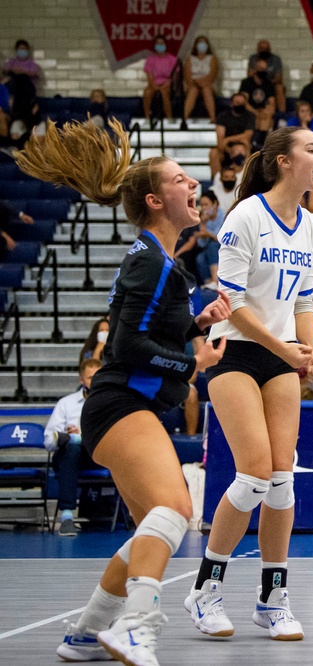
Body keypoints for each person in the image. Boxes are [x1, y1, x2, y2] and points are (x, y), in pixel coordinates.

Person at [15, 118, 231, 664]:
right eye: (182, 179)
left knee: (148, 534)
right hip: (118, 405)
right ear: (157, 200)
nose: (193, 187)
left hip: (118, 408)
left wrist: (190, 324)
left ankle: (85, 633)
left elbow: (143, 330)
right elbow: (128, 344)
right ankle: (137, 625)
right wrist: (192, 362)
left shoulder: (159, 265)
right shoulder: (154, 263)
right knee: (176, 506)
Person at [186, 126, 313, 642]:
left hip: (280, 355)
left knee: (282, 480)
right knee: (252, 476)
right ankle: (205, 589)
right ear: (283, 161)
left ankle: (273, 599)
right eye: (312, 149)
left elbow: (302, 305)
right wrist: (287, 350)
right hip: (237, 353)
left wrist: (312, 353)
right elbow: (233, 305)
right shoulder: (245, 215)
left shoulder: (312, 226)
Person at [44, 359, 103, 537]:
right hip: (70, 457)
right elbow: (48, 441)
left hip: (99, 456)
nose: (95, 381)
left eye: (99, 377)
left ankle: (77, 439)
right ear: (81, 380)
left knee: (75, 443)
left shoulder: (110, 404)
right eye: (91, 377)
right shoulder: (66, 403)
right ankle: (67, 517)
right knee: (71, 448)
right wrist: (65, 436)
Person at [209, 93, 255, 179]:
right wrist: (230, 150)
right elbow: (220, 140)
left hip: (244, 147)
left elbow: (247, 135)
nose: (240, 105)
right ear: (231, 104)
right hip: (226, 148)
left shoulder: (250, 116)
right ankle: (217, 181)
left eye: (242, 103)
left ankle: (245, 180)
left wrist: (228, 139)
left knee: (244, 145)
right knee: (214, 152)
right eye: (237, 102)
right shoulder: (222, 116)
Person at [182, 35, 218, 129]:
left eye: (204, 42)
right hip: (193, 85)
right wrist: (196, 83)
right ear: (196, 45)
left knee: (206, 88)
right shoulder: (190, 59)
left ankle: (213, 118)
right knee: (194, 89)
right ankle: (184, 118)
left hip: (208, 85)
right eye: (200, 42)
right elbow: (187, 77)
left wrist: (201, 82)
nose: (202, 45)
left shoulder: (212, 58)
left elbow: (212, 76)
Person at [142, 36, 176, 123]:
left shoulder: (172, 59)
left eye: (162, 43)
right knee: (147, 93)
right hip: (154, 83)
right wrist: (154, 86)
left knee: (164, 93)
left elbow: (174, 76)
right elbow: (149, 75)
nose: (160, 46)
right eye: (158, 44)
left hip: (167, 84)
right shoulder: (150, 59)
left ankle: (169, 118)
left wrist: (166, 84)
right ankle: (147, 118)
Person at [247, 40, 286, 114]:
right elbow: (249, 74)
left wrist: (267, 84)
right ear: (258, 49)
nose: (264, 50)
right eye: (262, 48)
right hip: (256, 83)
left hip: (271, 84)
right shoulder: (253, 58)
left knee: (280, 88)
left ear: (269, 49)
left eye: (266, 48)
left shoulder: (275, 59)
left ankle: (282, 115)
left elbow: (279, 77)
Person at [194, 192, 225, 288]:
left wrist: (208, 234)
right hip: (209, 250)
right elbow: (201, 244)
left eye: (206, 204)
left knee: (212, 245)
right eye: (202, 205)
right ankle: (209, 283)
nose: (204, 208)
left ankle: (215, 281)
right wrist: (203, 224)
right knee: (200, 258)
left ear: (215, 204)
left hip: (223, 247)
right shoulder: (203, 219)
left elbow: (222, 238)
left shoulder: (224, 216)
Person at [239, 58, 277, 135]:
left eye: (264, 69)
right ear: (255, 69)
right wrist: (256, 113)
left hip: (263, 111)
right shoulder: (246, 82)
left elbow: (272, 103)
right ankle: (256, 139)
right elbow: (244, 102)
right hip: (249, 110)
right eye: (260, 68)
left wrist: (264, 111)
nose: (262, 71)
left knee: (268, 114)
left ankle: (262, 139)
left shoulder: (269, 84)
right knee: (252, 116)